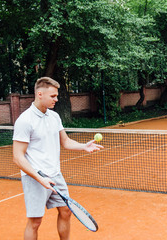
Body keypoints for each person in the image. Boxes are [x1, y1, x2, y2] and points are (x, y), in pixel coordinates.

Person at [12, 77, 103, 240]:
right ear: (40, 94)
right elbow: (18, 157)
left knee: (66, 210)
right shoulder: (25, 121)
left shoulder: (54, 117)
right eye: (53, 96)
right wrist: (40, 179)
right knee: (35, 222)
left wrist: (83, 146)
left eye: (56, 95)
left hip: (55, 175)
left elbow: (66, 141)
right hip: (35, 177)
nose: (56, 99)